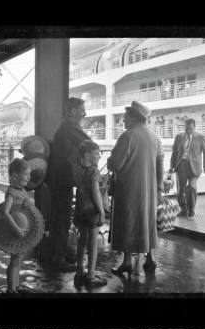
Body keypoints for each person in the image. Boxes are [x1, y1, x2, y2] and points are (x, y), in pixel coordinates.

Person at [107, 101, 164, 275]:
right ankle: (151, 258)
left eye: (125, 117)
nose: (123, 121)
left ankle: (127, 262)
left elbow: (115, 164)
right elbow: (160, 162)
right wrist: (159, 186)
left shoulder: (128, 136)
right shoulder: (155, 138)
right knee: (147, 221)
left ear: (134, 117)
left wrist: (109, 160)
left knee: (127, 222)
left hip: (128, 188)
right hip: (149, 189)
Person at [48, 97, 90, 271]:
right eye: (81, 110)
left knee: (60, 216)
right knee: (62, 218)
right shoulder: (70, 127)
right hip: (62, 177)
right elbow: (89, 143)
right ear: (72, 111)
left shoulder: (64, 126)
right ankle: (58, 259)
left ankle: (60, 253)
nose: (84, 113)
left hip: (58, 176)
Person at [73, 140, 107, 288]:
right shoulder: (94, 171)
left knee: (82, 240)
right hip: (92, 211)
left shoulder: (79, 170)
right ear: (87, 155)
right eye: (96, 154)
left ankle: (79, 270)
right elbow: (95, 191)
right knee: (93, 242)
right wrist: (101, 212)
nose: (99, 157)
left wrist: (101, 183)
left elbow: (84, 189)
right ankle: (91, 276)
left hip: (80, 210)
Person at [2, 158, 33, 293]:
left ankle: (16, 286)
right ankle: (11, 289)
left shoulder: (21, 190)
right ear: (15, 176)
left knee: (19, 258)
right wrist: (17, 230)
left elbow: (26, 200)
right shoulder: (12, 192)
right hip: (16, 231)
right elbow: (5, 212)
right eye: (26, 174)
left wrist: (29, 199)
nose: (29, 177)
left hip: (22, 231)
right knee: (15, 260)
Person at [169, 118, 205, 217]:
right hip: (181, 167)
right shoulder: (179, 137)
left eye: (191, 129)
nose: (188, 131)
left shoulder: (200, 137)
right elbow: (174, 153)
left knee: (192, 187)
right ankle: (183, 209)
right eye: (186, 128)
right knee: (181, 191)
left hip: (195, 167)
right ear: (184, 127)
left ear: (194, 127)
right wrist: (171, 166)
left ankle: (191, 209)